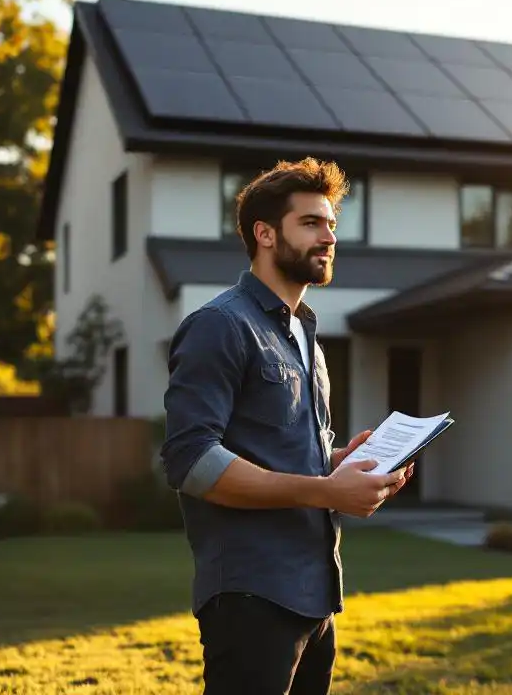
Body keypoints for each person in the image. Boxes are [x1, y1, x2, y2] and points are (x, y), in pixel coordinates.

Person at [160, 157, 413, 695]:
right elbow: (190, 461)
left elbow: (286, 450)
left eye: (332, 225)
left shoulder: (307, 339)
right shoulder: (219, 326)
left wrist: (343, 462)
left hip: (316, 595)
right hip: (251, 596)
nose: (329, 237)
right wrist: (326, 490)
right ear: (265, 234)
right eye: (312, 223)